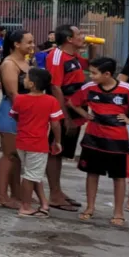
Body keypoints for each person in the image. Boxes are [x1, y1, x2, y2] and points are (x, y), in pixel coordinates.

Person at [68, 57, 129, 226]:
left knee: (119, 177)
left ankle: (118, 212)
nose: (91, 76)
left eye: (94, 73)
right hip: (93, 140)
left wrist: (128, 119)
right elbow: (73, 102)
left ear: (107, 74)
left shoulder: (126, 89)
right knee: (92, 173)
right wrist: (85, 114)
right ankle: (90, 207)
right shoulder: (89, 88)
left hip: (118, 142)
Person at [46, 24, 89, 211]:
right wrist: (64, 117)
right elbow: (55, 87)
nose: (83, 36)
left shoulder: (75, 57)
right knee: (55, 149)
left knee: (63, 151)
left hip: (75, 108)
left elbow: (90, 66)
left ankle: (58, 191)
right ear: (69, 39)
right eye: (79, 34)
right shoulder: (57, 56)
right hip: (64, 110)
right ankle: (54, 195)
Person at [9, 67, 62, 219]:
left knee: (33, 174)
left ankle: (43, 203)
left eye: (25, 78)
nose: (23, 80)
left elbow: (15, 116)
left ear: (32, 84)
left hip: (22, 142)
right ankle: (25, 206)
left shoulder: (20, 99)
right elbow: (56, 124)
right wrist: (57, 141)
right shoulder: (51, 101)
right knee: (31, 175)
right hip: (38, 144)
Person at [0, 29, 33, 210]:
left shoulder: (25, 62)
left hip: (23, 113)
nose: (32, 46)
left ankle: (16, 194)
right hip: (12, 112)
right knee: (9, 154)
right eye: (29, 42)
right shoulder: (9, 64)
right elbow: (13, 94)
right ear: (16, 44)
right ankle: (2, 196)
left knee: (17, 156)